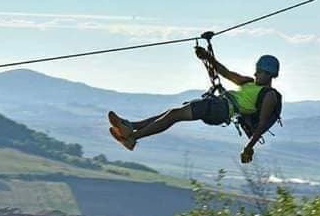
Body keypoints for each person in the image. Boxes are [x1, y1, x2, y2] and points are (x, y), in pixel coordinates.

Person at [108, 48, 281, 164]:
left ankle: (133, 137)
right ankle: (130, 127)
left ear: (269, 73)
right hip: (218, 105)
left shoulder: (269, 95)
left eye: (258, 71)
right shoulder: (250, 83)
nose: (255, 73)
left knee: (173, 115)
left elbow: (262, 125)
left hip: (221, 109)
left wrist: (248, 147)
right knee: (172, 113)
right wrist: (207, 57)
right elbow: (226, 73)